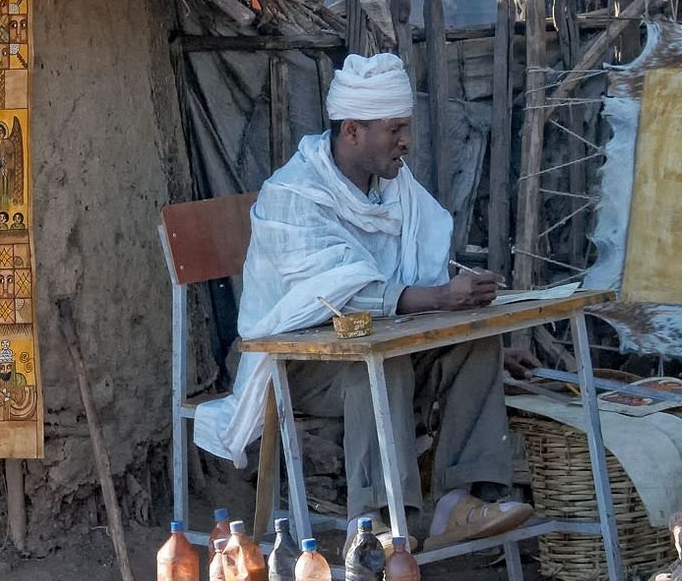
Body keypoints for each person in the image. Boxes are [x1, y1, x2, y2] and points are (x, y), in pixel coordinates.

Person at [193, 52, 535, 548]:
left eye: (405, 128)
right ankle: (374, 521)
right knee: (379, 363)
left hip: (377, 346)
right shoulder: (293, 195)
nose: (406, 142)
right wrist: (439, 297)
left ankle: (459, 503)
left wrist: (460, 313)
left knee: (475, 341)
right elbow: (344, 295)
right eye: (394, 130)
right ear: (352, 130)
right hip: (294, 363)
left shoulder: (397, 190)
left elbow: (418, 273)